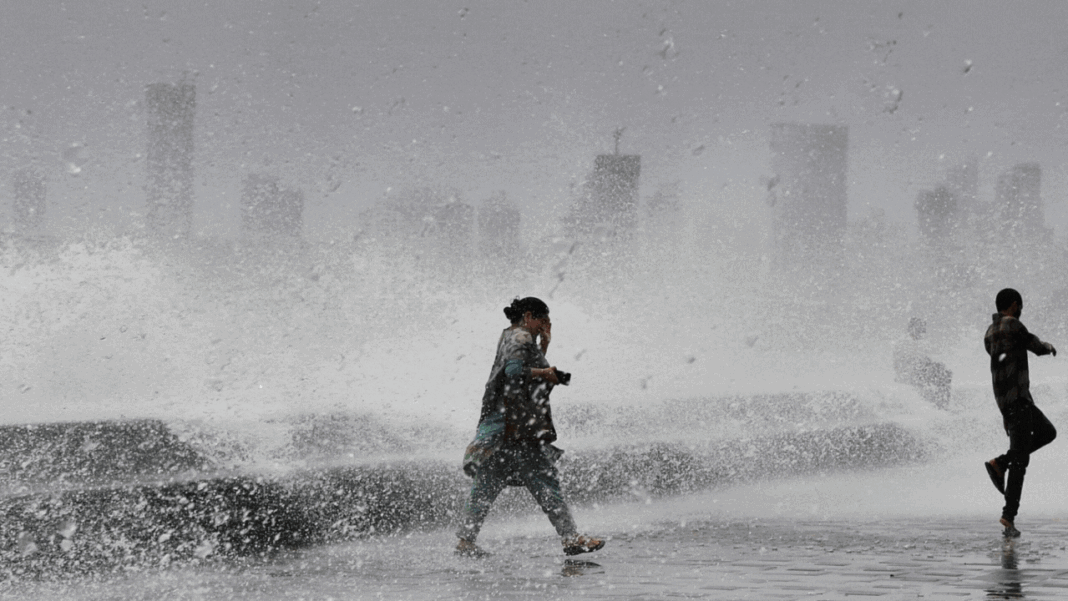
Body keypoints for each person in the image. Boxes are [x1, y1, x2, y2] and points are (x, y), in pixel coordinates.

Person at [456, 297, 604, 557]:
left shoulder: (512, 336)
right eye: (542, 321)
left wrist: (545, 347)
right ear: (528, 315)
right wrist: (547, 374)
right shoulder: (521, 336)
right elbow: (515, 373)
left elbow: (520, 375)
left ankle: (465, 543)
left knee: (487, 484)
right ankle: (571, 538)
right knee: (545, 480)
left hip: (498, 424)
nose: (544, 327)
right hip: (513, 426)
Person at [983, 288, 1057, 538]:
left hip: (1008, 401)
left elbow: (1001, 362)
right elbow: (1034, 346)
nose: (1021, 310)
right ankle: (1009, 516)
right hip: (1018, 400)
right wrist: (1048, 347)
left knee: (1047, 432)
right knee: (1020, 461)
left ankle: (1000, 463)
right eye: (1020, 306)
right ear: (1014, 305)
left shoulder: (989, 332)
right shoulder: (1014, 324)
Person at [892, 317, 952, 409]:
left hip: (918, 372)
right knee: (941, 372)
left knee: (945, 372)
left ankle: (943, 403)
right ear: (912, 328)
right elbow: (902, 363)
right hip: (908, 374)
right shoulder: (904, 342)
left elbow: (924, 359)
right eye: (920, 328)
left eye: (923, 328)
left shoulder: (920, 343)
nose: (923, 331)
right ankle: (942, 404)